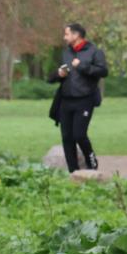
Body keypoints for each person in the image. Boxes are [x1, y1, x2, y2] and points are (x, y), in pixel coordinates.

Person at [49, 22, 108, 173]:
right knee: (67, 137)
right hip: (66, 100)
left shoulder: (95, 52)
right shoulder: (66, 53)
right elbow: (52, 77)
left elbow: (103, 72)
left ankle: (92, 164)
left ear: (76, 35)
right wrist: (58, 74)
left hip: (85, 100)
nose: (64, 37)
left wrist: (82, 66)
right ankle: (73, 171)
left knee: (79, 135)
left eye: (67, 34)